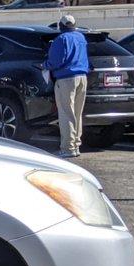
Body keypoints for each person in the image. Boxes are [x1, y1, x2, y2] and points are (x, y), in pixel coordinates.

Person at [47, 13, 90, 158]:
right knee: (77, 113)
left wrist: (44, 65)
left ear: (61, 25)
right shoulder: (81, 38)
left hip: (66, 79)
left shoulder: (61, 39)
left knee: (66, 113)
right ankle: (76, 145)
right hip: (82, 77)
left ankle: (67, 148)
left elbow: (56, 61)